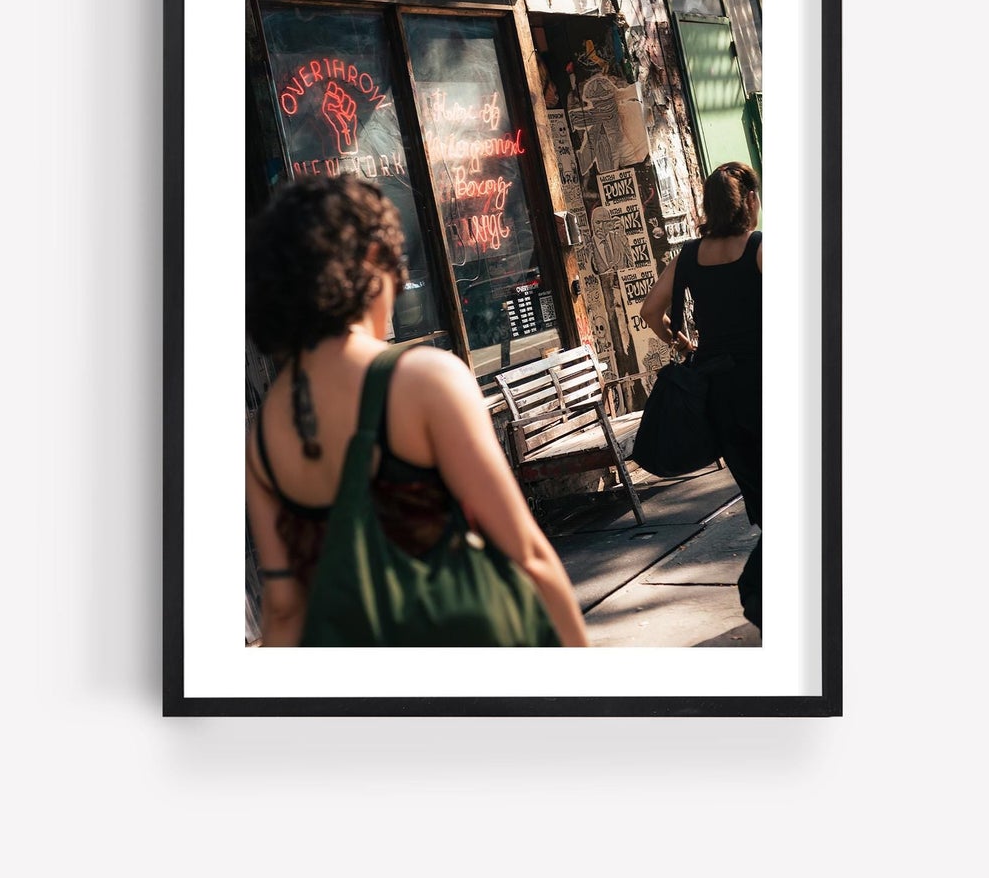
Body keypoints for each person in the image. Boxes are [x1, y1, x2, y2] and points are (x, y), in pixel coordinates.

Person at [245, 174, 589, 647]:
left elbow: (284, 609)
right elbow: (528, 554)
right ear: (371, 260)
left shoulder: (264, 433)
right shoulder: (424, 380)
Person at [640, 161, 763, 629]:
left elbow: (652, 310)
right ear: (748, 201)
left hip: (720, 400)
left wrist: (682, 343)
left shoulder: (689, 255)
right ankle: (760, 593)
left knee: (764, 493)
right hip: (764, 387)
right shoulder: (757, 247)